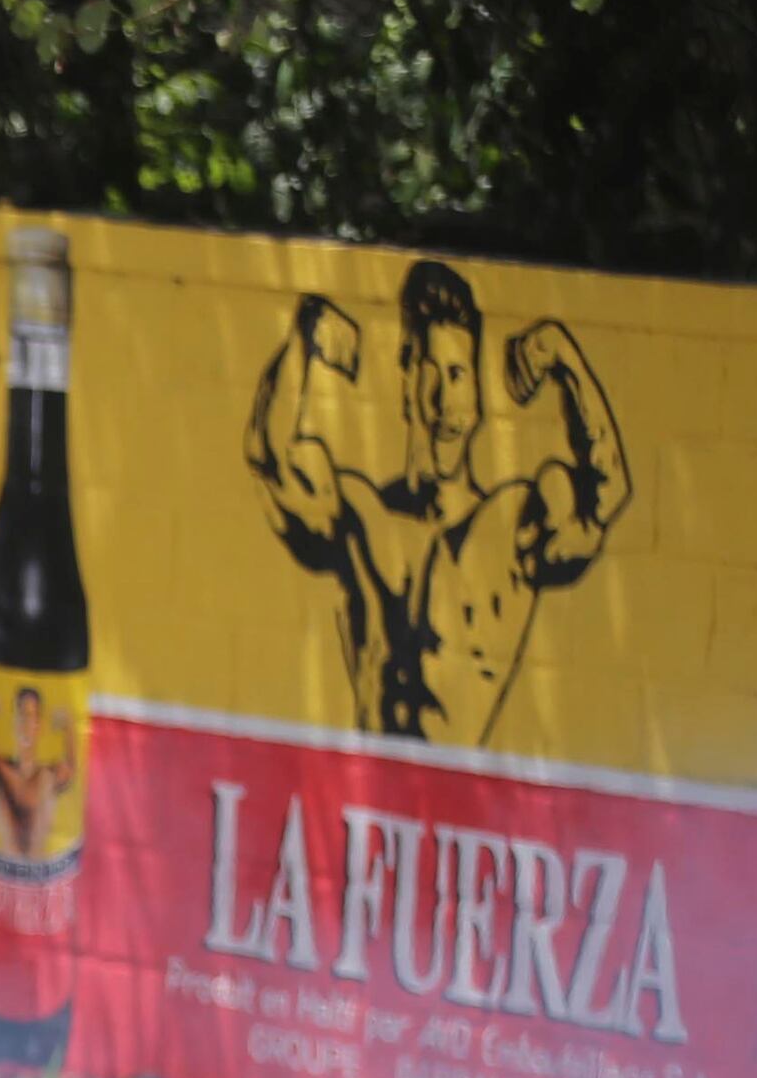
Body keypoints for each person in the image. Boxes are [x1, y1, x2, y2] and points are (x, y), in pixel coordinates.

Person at [247, 259, 630, 744]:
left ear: (479, 397)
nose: (447, 403)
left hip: (457, 798)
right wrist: (305, 336)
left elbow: (607, 492)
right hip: (371, 785)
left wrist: (564, 358)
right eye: (432, 375)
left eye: (459, 375)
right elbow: (270, 459)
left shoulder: (510, 525)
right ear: (407, 380)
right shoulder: (365, 514)